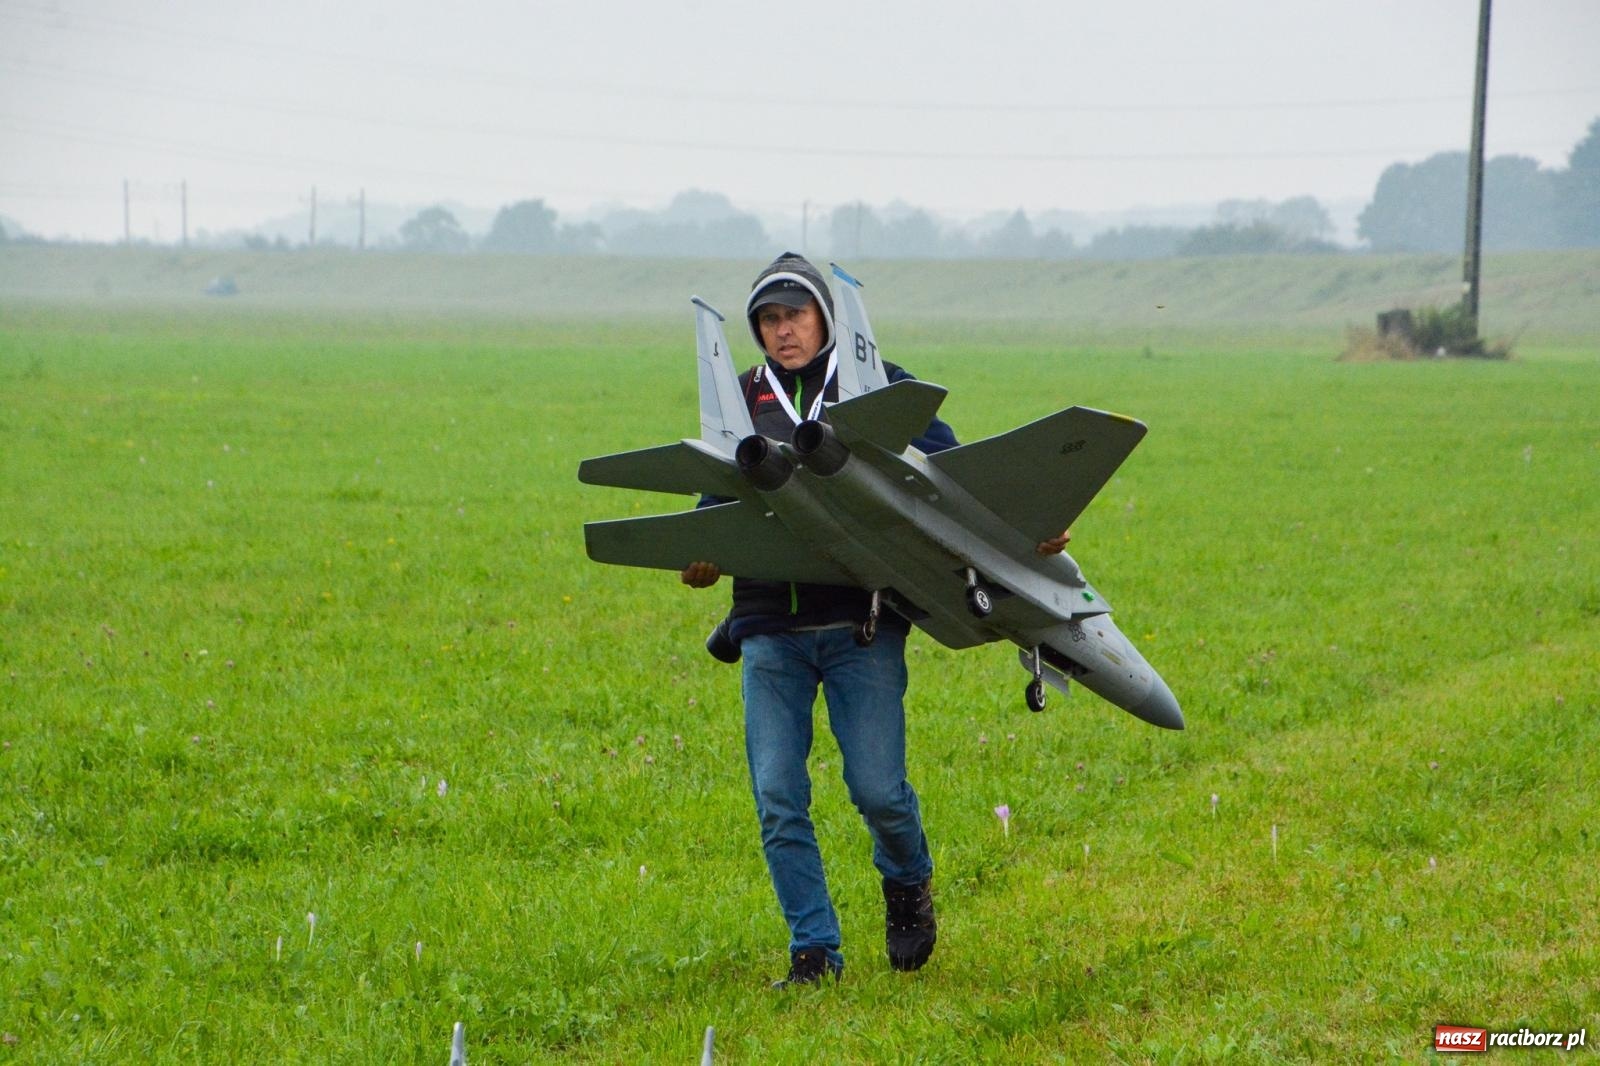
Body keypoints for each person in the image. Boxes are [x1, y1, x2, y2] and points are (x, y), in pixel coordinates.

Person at [681, 252, 1070, 988]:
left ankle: (907, 883)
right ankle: (814, 954)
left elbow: (956, 486)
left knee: (879, 791)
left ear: (827, 316)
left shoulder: (881, 387)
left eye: (795, 314)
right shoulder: (740, 401)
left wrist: (1028, 532)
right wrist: (702, 555)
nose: (782, 331)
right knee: (777, 797)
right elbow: (717, 501)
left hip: (863, 626)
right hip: (768, 628)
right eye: (768, 319)